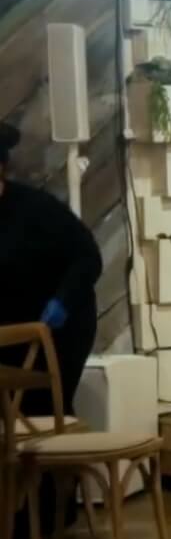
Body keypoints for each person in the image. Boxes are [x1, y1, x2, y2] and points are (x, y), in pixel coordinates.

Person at [0, 121, 101, 420]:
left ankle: (61, 464)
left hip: (57, 330)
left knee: (40, 413)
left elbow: (87, 257)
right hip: (7, 331)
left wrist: (62, 302)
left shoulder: (36, 208)